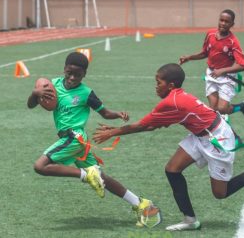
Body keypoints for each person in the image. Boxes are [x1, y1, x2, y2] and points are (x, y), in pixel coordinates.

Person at [93, 63, 244, 231]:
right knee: (172, 169)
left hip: (217, 139)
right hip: (200, 134)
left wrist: (113, 133)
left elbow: (143, 126)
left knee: (221, 193)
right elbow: (151, 126)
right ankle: (190, 220)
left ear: (171, 85)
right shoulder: (175, 97)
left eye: (158, 82)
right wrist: (117, 129)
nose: (156, 86)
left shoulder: (171, 102)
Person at [27, 52, 161, 227]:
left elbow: (104, 112)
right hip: (76, 142)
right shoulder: (52, 86)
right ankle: (142, 205)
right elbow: (31, 104)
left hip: (74, 137)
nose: (73, 77)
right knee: (101, 178)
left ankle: (85, 175)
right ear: (64, 70)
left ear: (85, 74)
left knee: (40, 166)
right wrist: (35, 92)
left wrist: (118, 114)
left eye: (78, 74)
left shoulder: (86, 93)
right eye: (69, 73)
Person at [179, 9, 244, 127]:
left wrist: (222, 71)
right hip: (211, 74)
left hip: (227, 77)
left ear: (232, 24)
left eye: (227, 22)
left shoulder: (232, 42)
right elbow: (205, 53)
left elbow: (242, 65)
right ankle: (226, 135)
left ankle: (241, 107)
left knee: (222, 108)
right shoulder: (210, 34)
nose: (223, 23)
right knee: (214, 110)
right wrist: (189, 57)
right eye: (221, 20)